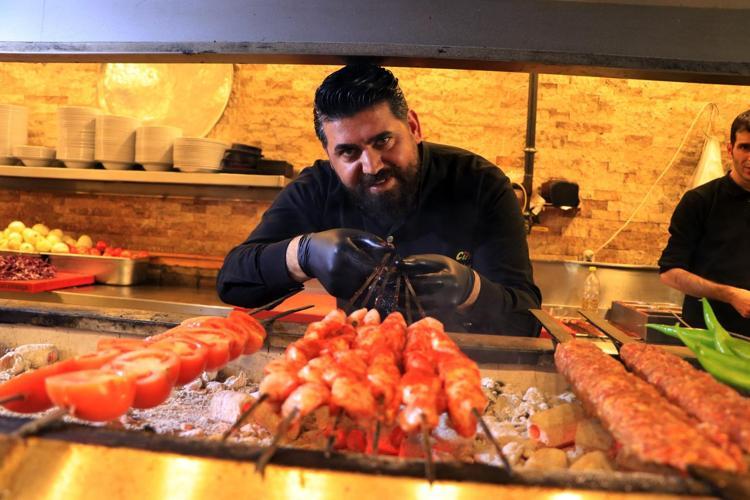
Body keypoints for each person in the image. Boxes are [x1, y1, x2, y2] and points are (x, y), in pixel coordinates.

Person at [218, 64, 541, 335]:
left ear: (413, 127)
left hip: (458, 362)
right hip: (359, 365)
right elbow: (233, 282)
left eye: (383, 141)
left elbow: (526, 320)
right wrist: (303, 254)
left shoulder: (480, 183)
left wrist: (472, 290)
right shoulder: (319, 187)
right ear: (329, 154)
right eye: (348, 152)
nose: (372, 166)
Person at [658, 109, 750, 335]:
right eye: (745, 147)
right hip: (706, 337)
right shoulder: (700, 201)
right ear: (730, 149)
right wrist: (731, 295)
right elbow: (670, 273)